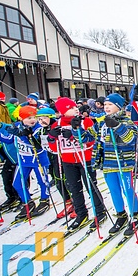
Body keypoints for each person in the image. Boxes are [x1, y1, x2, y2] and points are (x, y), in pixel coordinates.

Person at [48, 97, 106, 230]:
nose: (76, 109)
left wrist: (74, 135)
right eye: (71, 108)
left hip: (85, 159)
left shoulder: (85, 121)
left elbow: (93, 141)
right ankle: (81, 213)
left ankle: (100, 211)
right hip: (68, 161)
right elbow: (54, 149)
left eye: (75, 107)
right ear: (63, 111)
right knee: (74, 189)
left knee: (91, 186)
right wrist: (51, 136)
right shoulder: (57, 124)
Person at [0, 106, 52, 220]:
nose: (32, 120)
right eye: (28, 118)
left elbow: (37, 144)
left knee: (42, 182)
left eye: (34, 117)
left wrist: (22, 135)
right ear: (21, 118)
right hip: (23, 160)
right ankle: (27, 202)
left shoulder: (39, 128)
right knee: (17, 184)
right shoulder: (17, 126)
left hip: (38, 160)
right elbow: (8, 139)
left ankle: (44, 200)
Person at [103, 93, 138, 236]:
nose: (107, 107)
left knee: (128, 190)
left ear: (118, 107)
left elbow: (131, 140)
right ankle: (121, 215)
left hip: (124, 163)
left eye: (110, 105)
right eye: (105, 105)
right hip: (109, 163)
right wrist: (76, 131)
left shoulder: (127, 122)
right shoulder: (102, 122)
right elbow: (91, 137)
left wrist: (118, 127)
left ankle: (135, 215)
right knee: (114, 190)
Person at [37, 107, 74, 219]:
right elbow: (38, 144)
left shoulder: (57, 126)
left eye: (44, 118)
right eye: (39, 119)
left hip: (62, 157)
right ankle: (67, 202)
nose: (41, 121)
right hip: (51, 157)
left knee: (67, 180)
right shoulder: (41, 130)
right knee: (57, 181)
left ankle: (76, 203)